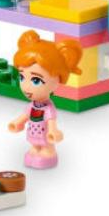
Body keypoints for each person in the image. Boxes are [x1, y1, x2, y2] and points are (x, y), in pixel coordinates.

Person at [8, 31, 83, 169]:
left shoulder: (48, 108)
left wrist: (53, 131)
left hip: (45, 136)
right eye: (22, 77)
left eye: (36, 80)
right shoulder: (32, 105)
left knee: (46, 148)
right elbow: (25, 115)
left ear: (57, 80)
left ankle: (48, 152)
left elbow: (51, 121)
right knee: (34, 147)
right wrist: (17, 123)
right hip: (33, 133)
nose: (26, 87)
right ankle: (36, 149)